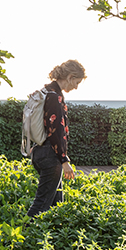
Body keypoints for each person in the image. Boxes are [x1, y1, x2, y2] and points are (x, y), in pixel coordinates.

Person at [27, 59, 85, 217]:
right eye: (77, 82)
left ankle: (51, 238)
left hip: (41, 151)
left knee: (56, 203)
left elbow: (42, 125)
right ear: (70, 77)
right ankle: (22, 237)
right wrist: (64, 161)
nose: (76, 87)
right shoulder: (54, 97)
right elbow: (56, 131)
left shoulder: (46, 93)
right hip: (50, 155)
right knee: (41, 205)